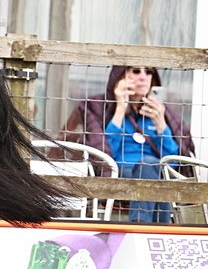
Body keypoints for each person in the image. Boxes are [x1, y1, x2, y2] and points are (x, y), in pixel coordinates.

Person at [62, 65, 194, 223]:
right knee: (153, 171)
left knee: (151, 166)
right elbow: (106, 155)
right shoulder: (101, 107)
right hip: (121, 171)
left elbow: (172, 162)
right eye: (136, 71)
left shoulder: (163, 113)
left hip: (155, 171)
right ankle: (156, 230)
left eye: (149, 72)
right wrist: (120, 109)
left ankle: (140, 227)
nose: (143, 77)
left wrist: (161, 125)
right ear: (120, 77)